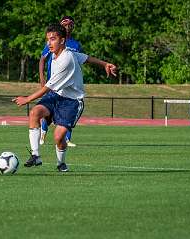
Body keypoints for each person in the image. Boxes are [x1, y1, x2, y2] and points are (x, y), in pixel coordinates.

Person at [13, 23, 116, 172]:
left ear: (62, 40)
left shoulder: (66, 59)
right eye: (48, 39)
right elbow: (86, 58)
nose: (49, 43)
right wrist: (104, 63)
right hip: (56, 95)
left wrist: (27, 99)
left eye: (53, 39)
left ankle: (61, 163)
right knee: (35, 113)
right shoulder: (60, 54)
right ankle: (36, 155)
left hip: (72, 102)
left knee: (58, 137)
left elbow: (47, 87)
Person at [39, 16, 81, 147]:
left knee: (68, 111)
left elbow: (81, 60)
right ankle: (43, 133)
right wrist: (42, 78)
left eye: (70, 25)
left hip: (68, 85)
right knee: (48, 110)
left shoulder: (76, 45)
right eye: (65, 24)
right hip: (53, 83)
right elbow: (42, 60)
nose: (68, 27)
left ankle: (67, 139)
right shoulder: (54, 41)